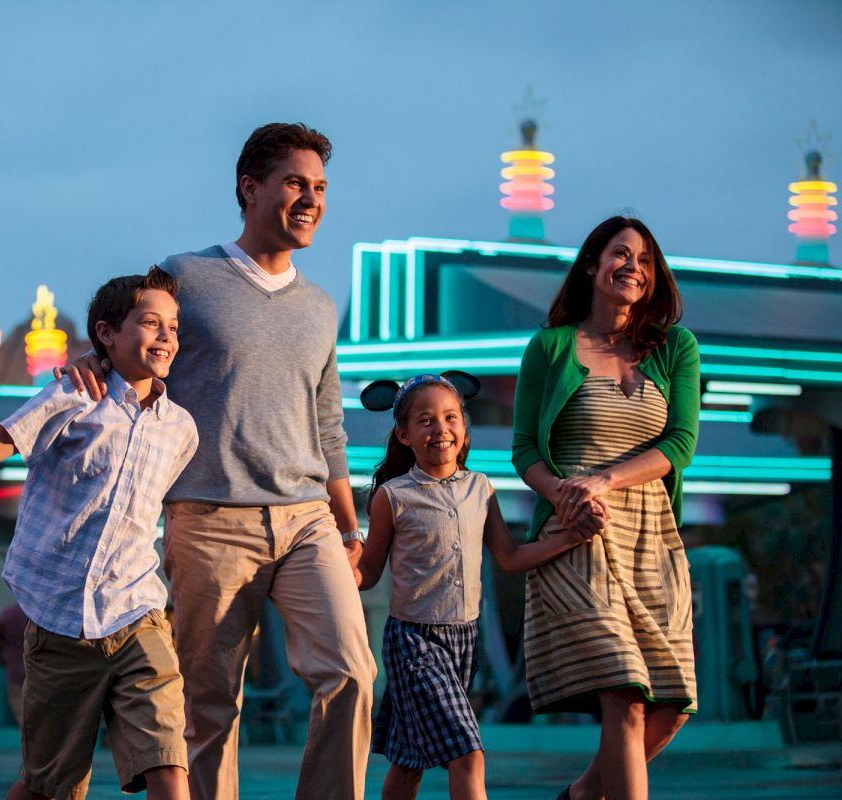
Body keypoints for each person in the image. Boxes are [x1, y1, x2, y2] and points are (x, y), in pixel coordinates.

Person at [63, 122, 375, 800]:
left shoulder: (321, 307)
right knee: (207, 706)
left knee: (351, 672)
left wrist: (350, 529)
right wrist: (94, 356)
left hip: (306, 520)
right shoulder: (188, 276)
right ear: (250, 187)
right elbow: (130, 326)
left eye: (320, 187)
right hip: (208, 519)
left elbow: (329, 427)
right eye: (296, 182)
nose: (311, 198)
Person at [0, 266, 198, 800]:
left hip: (138, 615)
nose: (166, 336)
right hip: (59, 621)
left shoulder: (182, 429)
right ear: (106, 334)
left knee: (169, 767)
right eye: (150, 323)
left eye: (174, 327)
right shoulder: (73, 395)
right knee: (48, 787)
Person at [511, 216, 699, 800]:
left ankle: (581, 795)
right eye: (621, 255)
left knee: (672, 707)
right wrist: (567, 494)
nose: (633, 269)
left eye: (644, 261)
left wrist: (603, 479)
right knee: (625, 692)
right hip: (576, 534)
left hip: (652, 537)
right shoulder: (551, 346)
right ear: (592, 265)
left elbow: (680, 443)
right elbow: (524, 449)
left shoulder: (675, 348)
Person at [355, 375, 591, 800]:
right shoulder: (392, 496)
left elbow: (510, 558)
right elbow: (367, 573)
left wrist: (571, 538)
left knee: (410, 760)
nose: (439, 429)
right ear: (404, 434)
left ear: (464, 428)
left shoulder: (480, 488)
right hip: (414, 641)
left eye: (450, 417)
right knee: (468, 752)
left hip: (465, 639)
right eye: (425, 420)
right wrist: (331, 563)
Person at [0, 600, 29, 729]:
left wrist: (1, 661)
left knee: (22, 717)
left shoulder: (8, 614)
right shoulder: (39, 613)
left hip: (14, 672)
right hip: (40, 671)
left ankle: (29, 747)